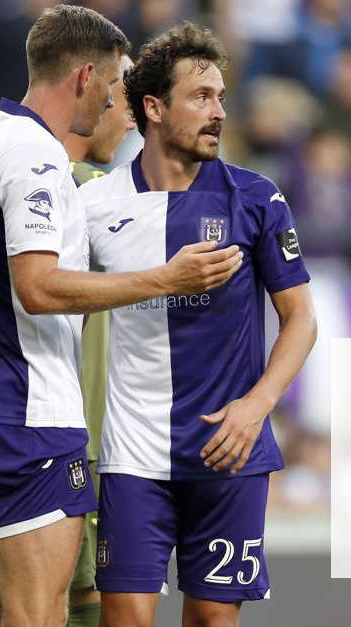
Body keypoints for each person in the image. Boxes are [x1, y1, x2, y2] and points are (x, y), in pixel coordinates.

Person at [0, 7, 243, 627]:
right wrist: (166, 278)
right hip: (28, 410)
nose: (115, 104)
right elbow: (39, 289)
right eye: (111, 85)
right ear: (82, 77)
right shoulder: (41, 162)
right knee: (39, 613)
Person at [80, 23, 318, 627]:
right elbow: (51, 295)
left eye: (221, 97)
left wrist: (257, 405)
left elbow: (301, 319)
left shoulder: (256, 198)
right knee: (125, 620)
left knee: (212, 620)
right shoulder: (97, 205)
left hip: (229, 451)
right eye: (201, 97)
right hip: (134, 452)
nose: (219, 112)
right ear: (154, 108)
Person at [60, 53, 137, 627]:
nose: (133, 120)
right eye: (127, 100)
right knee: (69, 598)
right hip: (71, 434)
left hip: (80, 432)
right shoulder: (85, 190)